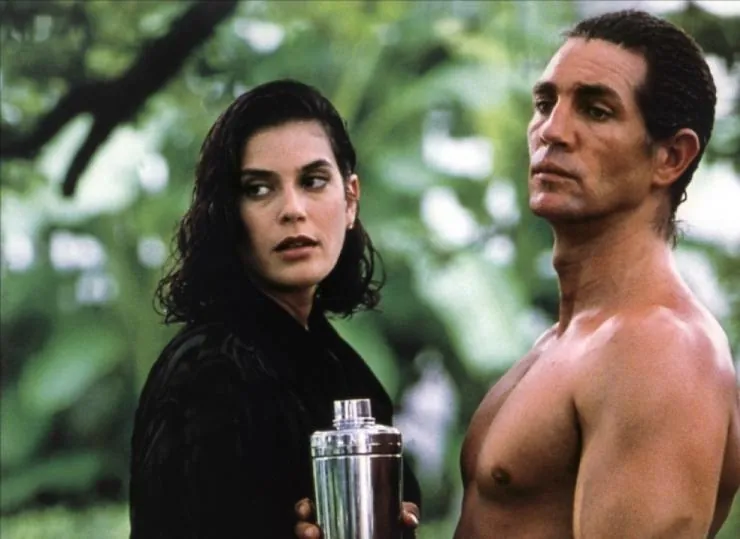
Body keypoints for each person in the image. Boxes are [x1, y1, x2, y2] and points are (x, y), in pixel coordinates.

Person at [297, 9, 740, 539]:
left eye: (596, 111)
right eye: (546, 104)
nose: (552, 131)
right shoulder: (570, 340)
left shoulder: (658, 348)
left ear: (671, 156)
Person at [129, 79, 421, 538]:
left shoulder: (347, 371)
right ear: (228, 212)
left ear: (350, 199)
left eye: (313, 181)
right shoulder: (208, 370)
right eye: (259, 188)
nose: (292, 209)